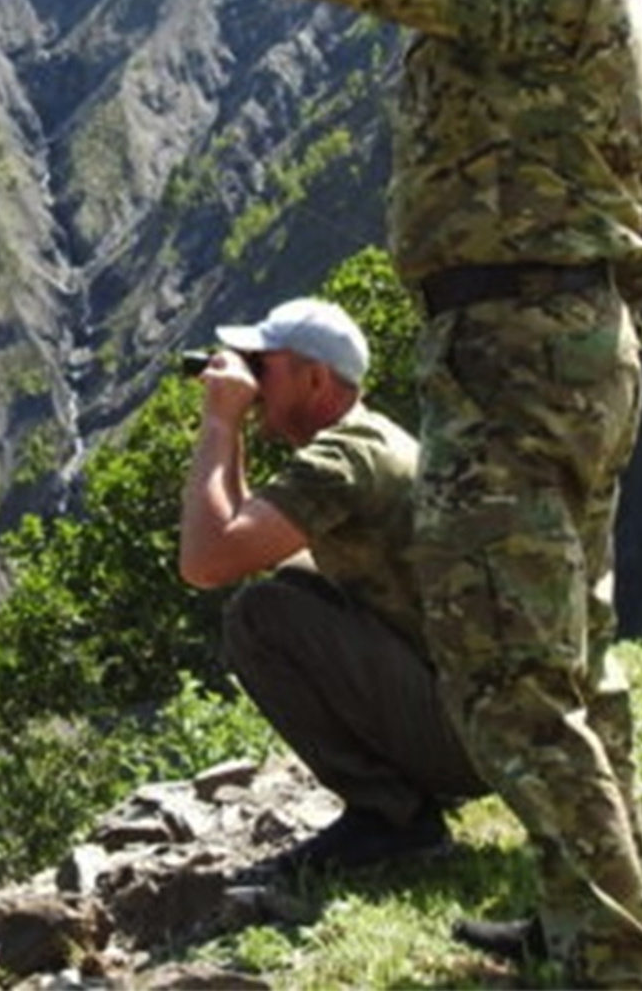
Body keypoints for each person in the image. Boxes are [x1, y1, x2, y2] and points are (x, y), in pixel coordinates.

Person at [0, 0, 642, 987]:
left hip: (517, 347)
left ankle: (621, 966)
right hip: (572, 339)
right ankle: (584, 909)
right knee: (578, 654)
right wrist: (604, 319)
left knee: (511, 668)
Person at [177, 296, 487, 876]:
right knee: (291, 578)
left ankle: (392, 817)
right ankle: (402, 801)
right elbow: (243, 540)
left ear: (315, 378)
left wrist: (219, 421)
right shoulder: (367, 439)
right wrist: (235, 426)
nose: (252, 380)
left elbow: (205, 561)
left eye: (263, 367)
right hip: (480, 719)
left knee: (260, 616)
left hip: (467, 737)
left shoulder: (343, 461)